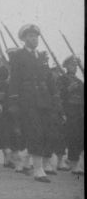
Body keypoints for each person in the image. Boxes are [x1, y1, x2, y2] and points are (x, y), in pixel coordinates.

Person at [8, 24, 60, 183]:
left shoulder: (42, 57)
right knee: (36, 132)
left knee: (45, 132)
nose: (34, 39)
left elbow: (49, 79)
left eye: (36, 36)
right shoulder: (19, 56)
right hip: (28, 99)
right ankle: (38, 169)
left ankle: (25, 157)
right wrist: (14, 101)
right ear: (24, 39)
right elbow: (14, 79)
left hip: (44, 99)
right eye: (30, 36)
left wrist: (55, 97)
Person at [58, 55, 84, 175]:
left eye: (75, 65)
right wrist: (68, 89)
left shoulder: (79, 81)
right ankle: (73, 164)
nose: (74, 67)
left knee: (79, 138)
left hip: (79, 112)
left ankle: (74, 161)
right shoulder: (62, 79)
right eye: (71, 65)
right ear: (66, 66)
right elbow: (57, 95)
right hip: (68, 111)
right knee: (71, 137)